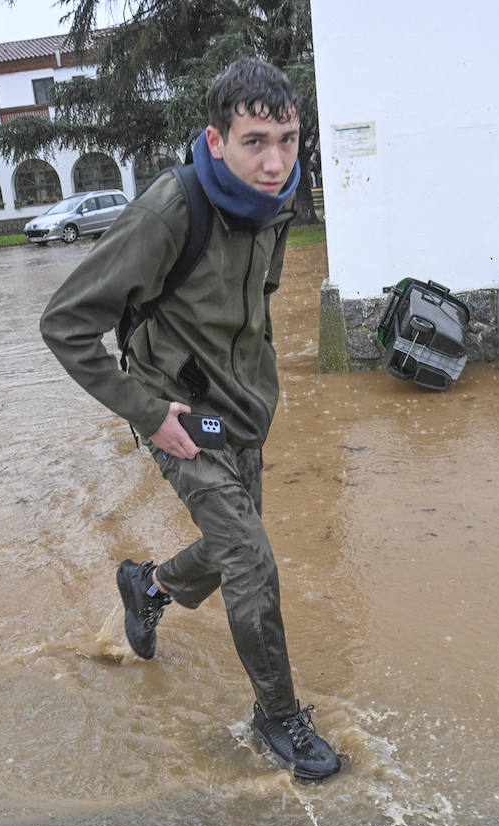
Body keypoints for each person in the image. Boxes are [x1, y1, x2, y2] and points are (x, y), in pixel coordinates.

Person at [40, 58, 341, 780]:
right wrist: (149, 413)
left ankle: (148, 588)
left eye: (289, 140)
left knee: (238, 543)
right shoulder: (169, 211)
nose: (275, 162)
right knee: (250, 557)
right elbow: (64, 324)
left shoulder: (279, 202)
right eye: (255, 141)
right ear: (216, 140)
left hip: (240, 416)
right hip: (179, 418)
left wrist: (258, 393)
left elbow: (255, 307)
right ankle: (277, 721)